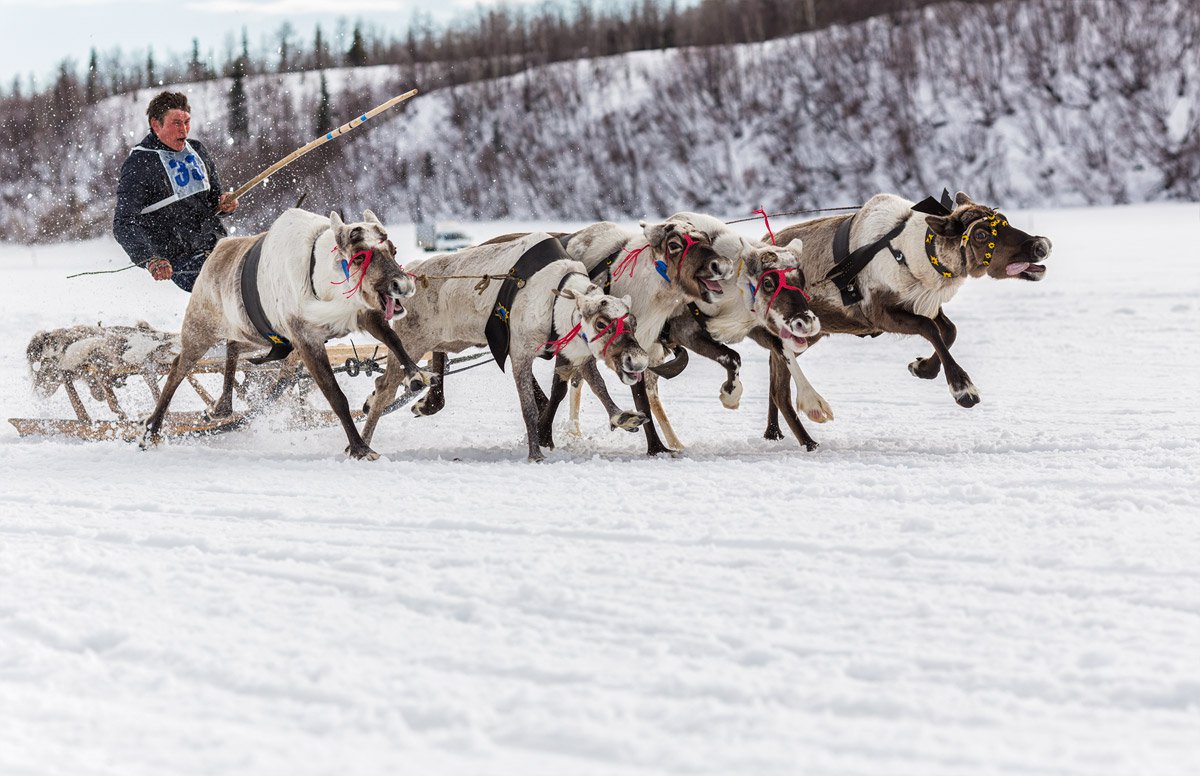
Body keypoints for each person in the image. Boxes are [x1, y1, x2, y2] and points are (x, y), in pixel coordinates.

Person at [113, 91, 239, 292]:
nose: (184, 130)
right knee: (233, 287)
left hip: (217, 245)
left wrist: (224, 204)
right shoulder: (139, 164)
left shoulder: (197, 150)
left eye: (187, 122)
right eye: (176, 123)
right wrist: (150, 258)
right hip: (182, 260)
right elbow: (123, 223)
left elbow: (213, 199)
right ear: (156, 125)